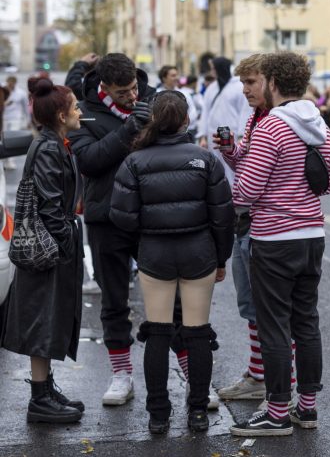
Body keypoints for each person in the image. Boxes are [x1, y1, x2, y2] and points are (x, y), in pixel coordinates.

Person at [225, 52, 330, 436]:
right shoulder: (321, 127)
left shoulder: (272, 128)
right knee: (306, 323)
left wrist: (243, 187)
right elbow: (328, 183)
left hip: (274, 239)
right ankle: (306, 409)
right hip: (312, 236)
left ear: (273, 83)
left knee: (274, 326)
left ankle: (275, 412)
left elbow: (247, 190)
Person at [110, 91, 234, 434]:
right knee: (198, 333)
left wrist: (143, 243)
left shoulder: (134, 162)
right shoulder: (205, 160)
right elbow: (223, 217)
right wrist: (220, 257)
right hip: (198, 252)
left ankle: (158, 415)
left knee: (158, 332)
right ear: (186, 121)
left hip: (155, 253)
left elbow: (122, 217)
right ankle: (196, 411)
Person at [69, 52, 155, 406]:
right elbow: (88, 161)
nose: (131, 97)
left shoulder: (152, 100)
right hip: (105, 217)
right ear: (104, 86)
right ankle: (121, 374)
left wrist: (157, 126)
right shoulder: (84, 112)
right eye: (122, 93)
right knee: (114, 300)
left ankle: (193, 375)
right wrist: (128, 130)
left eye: (133, 88)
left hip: (153, 215)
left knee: (172, 298)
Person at [1, 78, 85, 423]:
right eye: (76, 106)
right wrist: (65, 244)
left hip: (51, 247)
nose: (80, 111)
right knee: (42, 320)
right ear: (62, 115)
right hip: (48, 251)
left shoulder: (54, 142)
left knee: (47, 318)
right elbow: (51, 207)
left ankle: (45, 388)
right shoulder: (50, 148)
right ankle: (40, 398)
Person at [217, 54, 275, 403]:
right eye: (242, 82)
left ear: (271, 82)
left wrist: (226, 198)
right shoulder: (256, 116)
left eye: (251, 82)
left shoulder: (277, 120)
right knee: (251, 306)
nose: (245, 89)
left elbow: (254, 184)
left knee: (272, 310)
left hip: (264, 225)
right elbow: (247, 163)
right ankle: (258, 375)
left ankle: (277, 387)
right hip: (246, 220)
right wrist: (230, 151)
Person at [196, 57, 251, 180]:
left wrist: (243, 135)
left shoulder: (238, 87)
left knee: (232, 166)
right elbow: (205, 112)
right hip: (213, 134)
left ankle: (232, 192)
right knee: (215, 165)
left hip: (232, 134)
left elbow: (245, 111)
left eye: (213, 68)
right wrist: (202, 135)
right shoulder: (212, 88)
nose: (212, 72)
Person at [156, 65, 199, 137]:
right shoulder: (156, 94)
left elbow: (192, 111)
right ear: (164, 78)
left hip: (183, 133)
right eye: (173, 76)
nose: (177, 78)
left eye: (177, 75)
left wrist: (182, 125)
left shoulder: (184, 93)